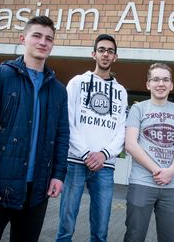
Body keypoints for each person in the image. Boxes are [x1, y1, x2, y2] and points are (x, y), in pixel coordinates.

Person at [0, 16, 70, 242]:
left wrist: (58, 175)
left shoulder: (59, 91)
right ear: (23, 38)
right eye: (37, 35)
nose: (43, 42)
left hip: (37, 191)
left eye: (49, 38)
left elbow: (62, 137)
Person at [56, 34, 128, 242]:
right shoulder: (77, 83)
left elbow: (121, 129)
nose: (106, 54)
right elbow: (67, 122)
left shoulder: (121, 92)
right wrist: (87, 153)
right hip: (76, 161)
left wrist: (104, 154)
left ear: (116, 57)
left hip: (105, 165)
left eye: (110, 51)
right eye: (102, 50)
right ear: (93, 53)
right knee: (66, 224)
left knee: (101, 227)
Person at [123, 63, 174, 242]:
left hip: (172, 185)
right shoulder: (138, 108)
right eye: (156, 79)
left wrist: (171, 171)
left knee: (170, 237)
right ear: (148, 84)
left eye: (165, 79)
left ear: (171, 85)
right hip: (142, 182)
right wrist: (157, 171)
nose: (161, 83)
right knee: (134, 235)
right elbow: (130, 144)